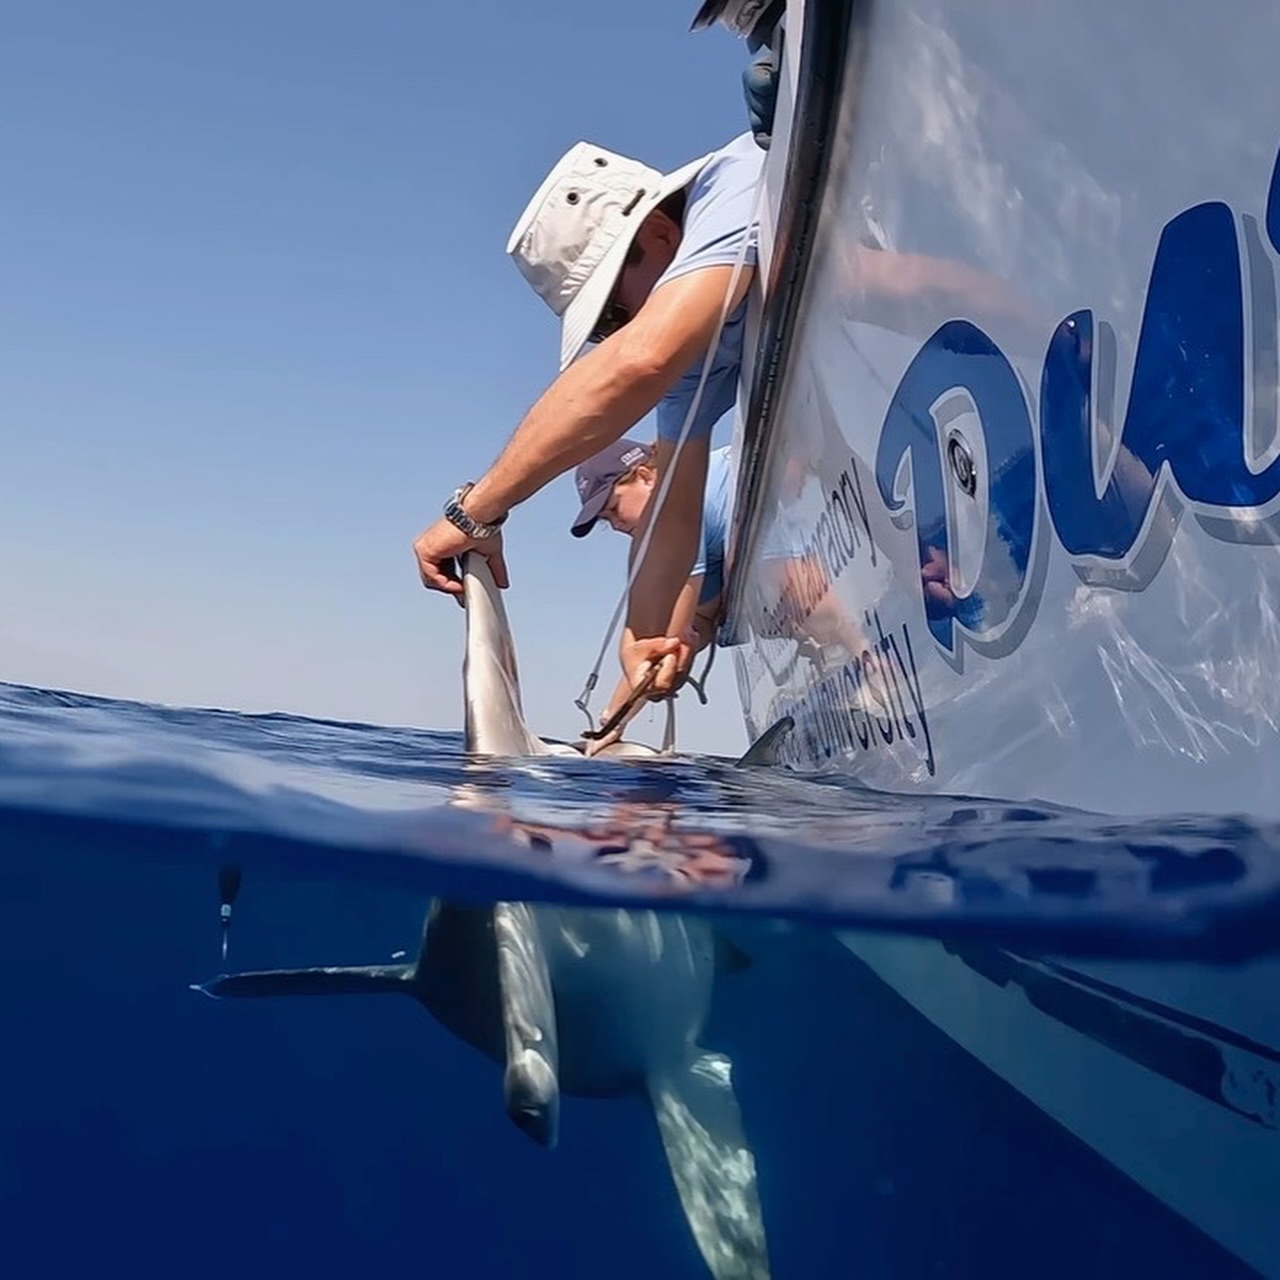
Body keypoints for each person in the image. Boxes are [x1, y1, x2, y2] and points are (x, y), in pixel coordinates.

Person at [412, 129, 763, 711]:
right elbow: (672, 512)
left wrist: (474, 512)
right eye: (603, 330)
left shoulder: (736, 181)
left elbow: (640, 359)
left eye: (613, 313)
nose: (617, 336)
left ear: (660, 233)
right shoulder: (696, 362)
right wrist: (647, 634)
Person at [568, 436, 733, 746]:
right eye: (606, 521)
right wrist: (613, 720)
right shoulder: (696, 536)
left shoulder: (680, 506)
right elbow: (699, 623)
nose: (616, 525)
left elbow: (668, 643)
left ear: (646, 477)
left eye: (615, 508)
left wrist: (614, 722)